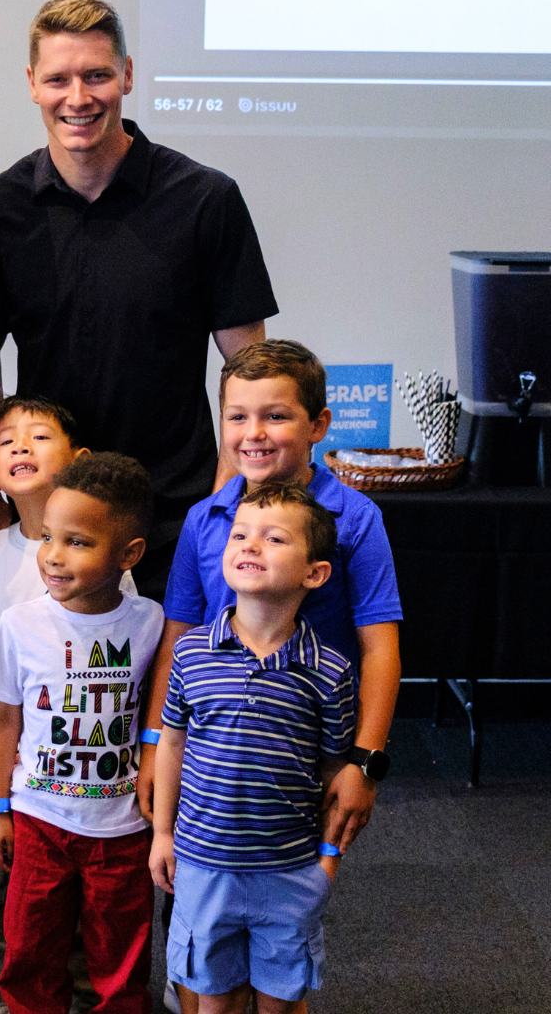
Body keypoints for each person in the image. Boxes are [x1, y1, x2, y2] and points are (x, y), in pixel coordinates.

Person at [0, 0, 277, 600]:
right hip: (48, 527)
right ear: (32, 84)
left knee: (173, 697)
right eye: (58, 79)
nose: (77, 98)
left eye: (96, 75)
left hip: (178, 523)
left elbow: (250, 377)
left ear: (127, 75)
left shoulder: (206, 200)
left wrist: (227, 509)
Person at [137, 340, 402, 1010]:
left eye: (275, 416)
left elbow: (379, 647)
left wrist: (365, 763)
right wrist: (150, 739)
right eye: (237, 416)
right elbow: (177, 638)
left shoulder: (357, 521)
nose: (253, 434)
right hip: (206, 763)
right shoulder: (206, 519)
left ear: (317, 425)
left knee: (286, 946)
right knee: (199, 952)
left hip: (302, 754)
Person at [0, 397, 136, 1014]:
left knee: (91, 895)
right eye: (7, 442)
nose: (21, 448)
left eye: (39, 436)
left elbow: (123, 656)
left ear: (78, 461)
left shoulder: (110, 564)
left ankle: (85, 992)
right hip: (4, 753)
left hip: (85, 762)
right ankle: (0, 988)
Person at [149, 481, 356, 1014]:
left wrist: (327, 861)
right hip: (203, 864)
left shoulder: (330, 671)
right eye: (239, 534)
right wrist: (163, 833)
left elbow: (336, 771)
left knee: (281, 1003)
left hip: (289, 870)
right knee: (211, 1001)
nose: (249, 545)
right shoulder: (192, 652)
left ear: (315, 573)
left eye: (274, 538)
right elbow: (172, 743)